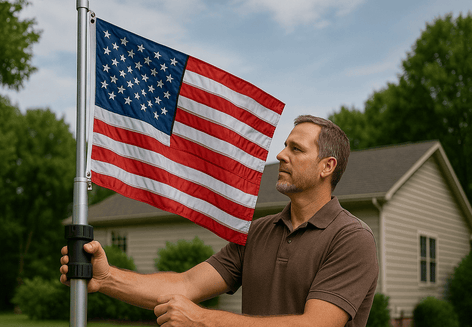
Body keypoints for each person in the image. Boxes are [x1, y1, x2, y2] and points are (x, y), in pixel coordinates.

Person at [60, 115, 379, 327]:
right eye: (284, 146)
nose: (281, 155)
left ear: (327, 166)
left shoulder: (351, 238)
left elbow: (314, 325)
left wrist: (202, 320)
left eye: (296, 149)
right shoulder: (258, 232)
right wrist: (106, 278)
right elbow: (185, 285)